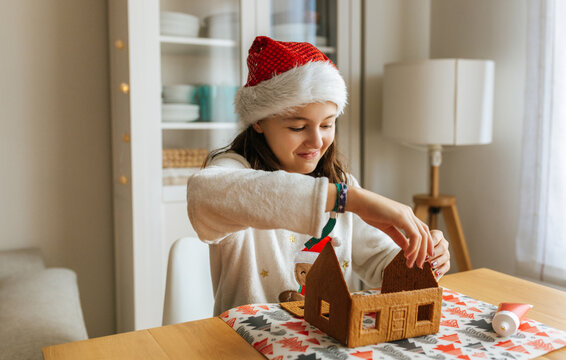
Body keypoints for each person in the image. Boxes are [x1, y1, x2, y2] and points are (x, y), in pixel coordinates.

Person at [187, 36, 450, 316]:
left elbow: (381, 265)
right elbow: (203, 194)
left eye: (327, 124)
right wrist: (349, 200)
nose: (317, 142)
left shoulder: (341, 182)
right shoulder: (235, 170)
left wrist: (422, 257)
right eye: (298, 127)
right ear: (259, 121)